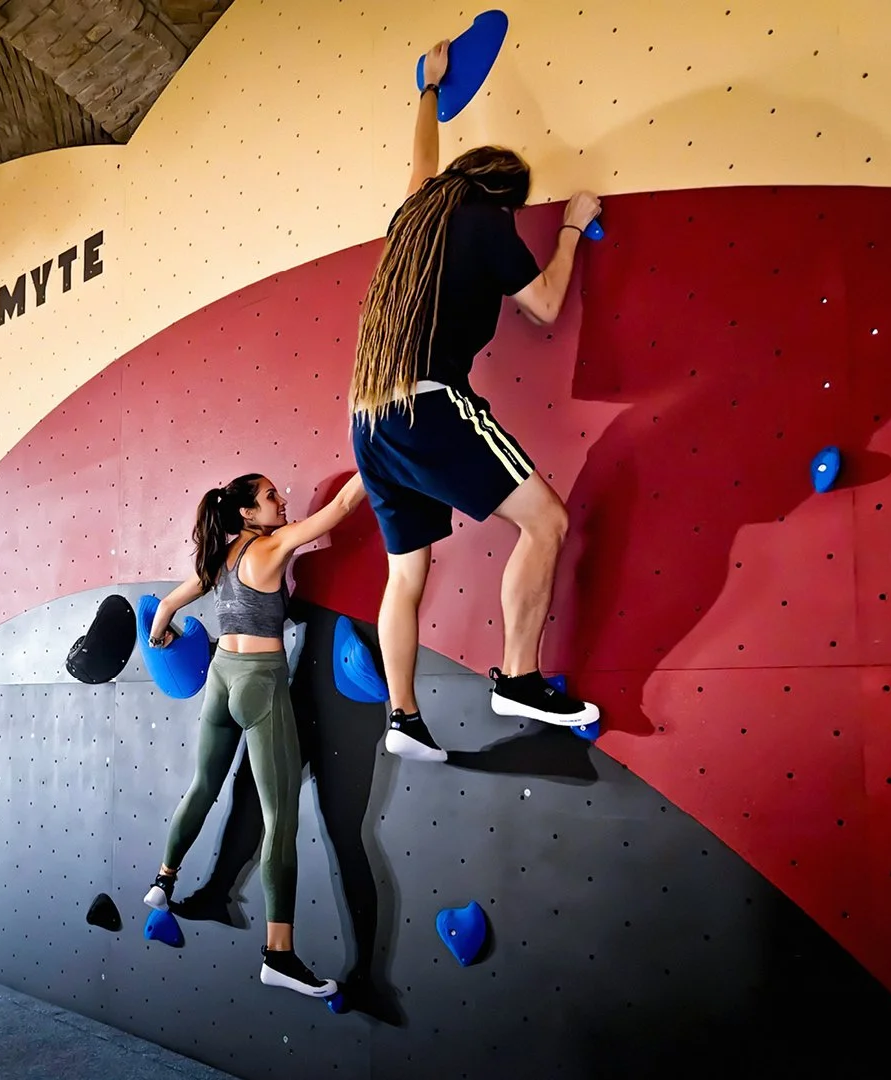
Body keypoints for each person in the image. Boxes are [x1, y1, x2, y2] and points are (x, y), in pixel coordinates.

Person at [348, 39, 602, 763]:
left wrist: (429, 90)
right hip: (430, 408)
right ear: (505, 197)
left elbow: (421, 162)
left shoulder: (414, 216)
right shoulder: (489, 222)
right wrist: (570, 228)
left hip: (369, 418)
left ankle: (403, 717)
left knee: (406, 574)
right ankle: (519, 678)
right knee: (546, 522)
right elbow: (544, 304)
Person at [143, 471, 365, 999]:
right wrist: (376, 452)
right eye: (270, 496)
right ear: (247, 512)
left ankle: (164, 880)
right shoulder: (271, 546)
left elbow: (168, 607)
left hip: (221, 680)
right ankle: (278, 954)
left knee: (203, 787)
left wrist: (161, 633)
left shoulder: (218, 561)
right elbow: (338, 510)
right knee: (279, 820)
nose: (282, 501)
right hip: (260, 684)